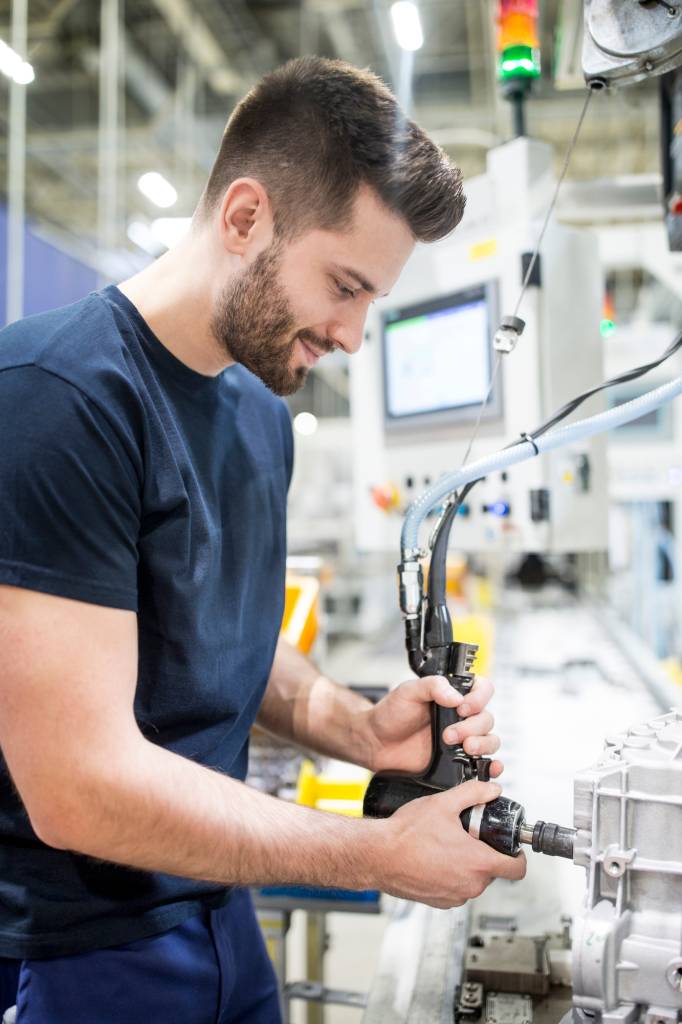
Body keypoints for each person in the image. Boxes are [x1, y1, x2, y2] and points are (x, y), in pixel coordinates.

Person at [0, 57, 525, 1023]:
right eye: (344, 285)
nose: (355, 336)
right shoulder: (58, 399)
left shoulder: (257, 414)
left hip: (220, 917)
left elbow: (221, 642)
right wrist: (376, 855)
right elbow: (78, 787)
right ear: (245, 218)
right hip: (81, 952)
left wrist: (357, 727)